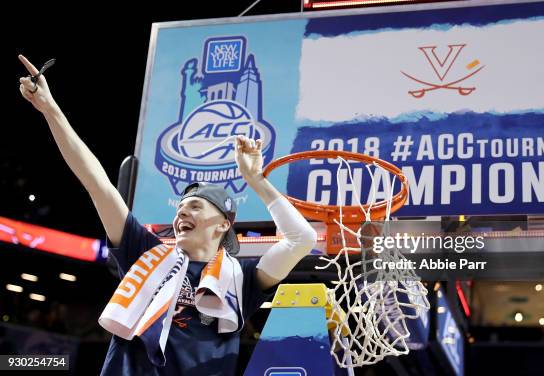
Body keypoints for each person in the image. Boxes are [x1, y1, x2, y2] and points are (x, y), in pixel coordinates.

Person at [17, 54, 318, 375]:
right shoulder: (144, 251)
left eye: (196, 206)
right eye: (182, 207)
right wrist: (51, 110)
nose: (182, 213)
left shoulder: (243, 279)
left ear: (223, 223)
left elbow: (303, 239)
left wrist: (256, 180)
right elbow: (97, 183)